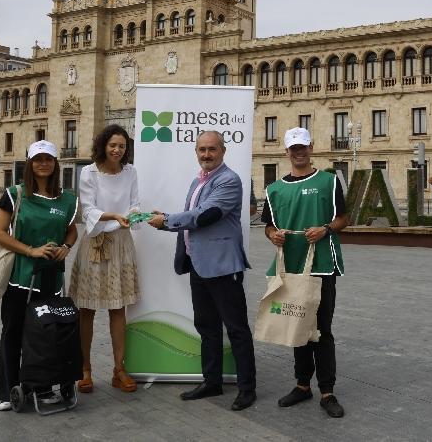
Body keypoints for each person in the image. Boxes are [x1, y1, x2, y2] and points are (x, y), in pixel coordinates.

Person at [148, 131, 256, 411]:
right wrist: (166, 217)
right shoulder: (200, 179)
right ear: (196, 152)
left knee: (236, 329)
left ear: (223, 151)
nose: (206, 154)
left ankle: (247, 388)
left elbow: (206, 215)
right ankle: (212, 381)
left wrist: (167, 220)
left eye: (212, 149)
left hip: (222, 266)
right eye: (202, 150)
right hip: (199, 265)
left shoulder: (229, 180)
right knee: (207, 327)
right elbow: (195, 215)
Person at [263, 127, 349, 419]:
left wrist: (325, 229)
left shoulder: (328, 181)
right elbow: (269, 225)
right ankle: (302, 385)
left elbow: (343, 219)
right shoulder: (274, 189)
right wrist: (272, 235)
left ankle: (327, 391)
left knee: (321, 329)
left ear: (311, 147)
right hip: (291, 266)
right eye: (293, 148)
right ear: (286, 151)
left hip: (323, 264)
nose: (298, 152)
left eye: (303, 147)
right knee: (297, 326)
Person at [0, 141, 78, 411]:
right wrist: (31, 250)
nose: (43, 164)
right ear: (29, 162)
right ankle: (6, 391)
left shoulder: (67, 198)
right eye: (38, 159)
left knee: (45, 335)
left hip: (50, 278)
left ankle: (42, 386)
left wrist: (66, 246)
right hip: (20, 277)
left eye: (48, 159)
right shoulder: (15, 194)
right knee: (13, 332)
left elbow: (71, 230)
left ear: (56, 163)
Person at [68, 125, 142, 395]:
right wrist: (113, 217)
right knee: (86, 309)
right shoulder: (88, 172)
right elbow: (88, 208)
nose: (117, 150)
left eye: (122, 146)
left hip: (122, 241)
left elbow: (135, 202)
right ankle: (84, 369)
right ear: (103, 145)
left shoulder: (131, 172)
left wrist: (134, 214)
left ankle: (118, 369)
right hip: (95, 241)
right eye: (113, 145)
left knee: (117, 308)